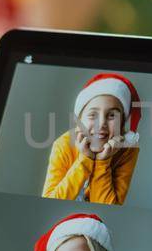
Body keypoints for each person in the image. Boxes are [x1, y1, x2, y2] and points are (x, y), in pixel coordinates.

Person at [43, 72, 141, 204]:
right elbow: (50, 201)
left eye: (112, 115)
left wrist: (102, 162)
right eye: (92, 115)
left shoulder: (128, 151)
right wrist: (85, 160)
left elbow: (110, 206)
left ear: (122, 124)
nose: (101, 123)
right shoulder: (63, 145)